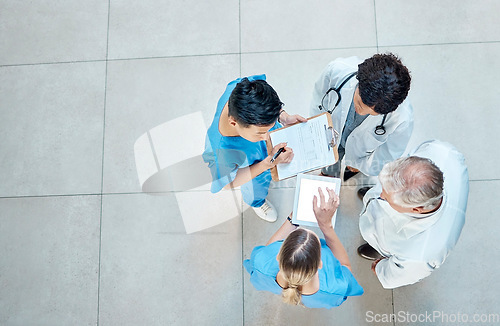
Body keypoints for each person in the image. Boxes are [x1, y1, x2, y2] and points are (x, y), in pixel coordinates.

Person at [357, 140, 469, 289]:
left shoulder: (420, 255)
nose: (380, 196)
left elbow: (395, 276)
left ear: (416, 209)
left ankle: (378, 249)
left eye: (387, 197)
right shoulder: (440, 151)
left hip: (386, 243)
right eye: (383, 187)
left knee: (381, 244)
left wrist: (380, 268)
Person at [203, 75, 306, 222]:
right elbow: (228, 184)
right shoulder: (222, 153)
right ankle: (257, 203)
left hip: (262, 153)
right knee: (255, 188)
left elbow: (265, 101)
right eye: (261, 133)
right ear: (233, 123)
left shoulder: (241, 89)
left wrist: (282, 117)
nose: (268, 137)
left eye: (270, 129)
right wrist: (267, 164)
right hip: (253, 170)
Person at [244, 188, 364, 308]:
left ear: (278, 256)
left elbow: (269, 248)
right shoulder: (336, 287)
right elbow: (345, 266)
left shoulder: (261, 263)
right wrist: (326, 226)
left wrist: (293, 218)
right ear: (320, 264)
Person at [310, 53, 413, 180]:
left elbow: (387, 155)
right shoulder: (337, 71)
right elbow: (318, 100)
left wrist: (360, 165)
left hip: (361, 154)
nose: (361, 112)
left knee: (355, 164)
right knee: (330, 167)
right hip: (331, 134)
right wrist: (317, 130)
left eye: (372, 113)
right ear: (359, 82)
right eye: (359, 103)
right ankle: (329, 173)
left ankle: (352, 168)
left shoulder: (402, 119)